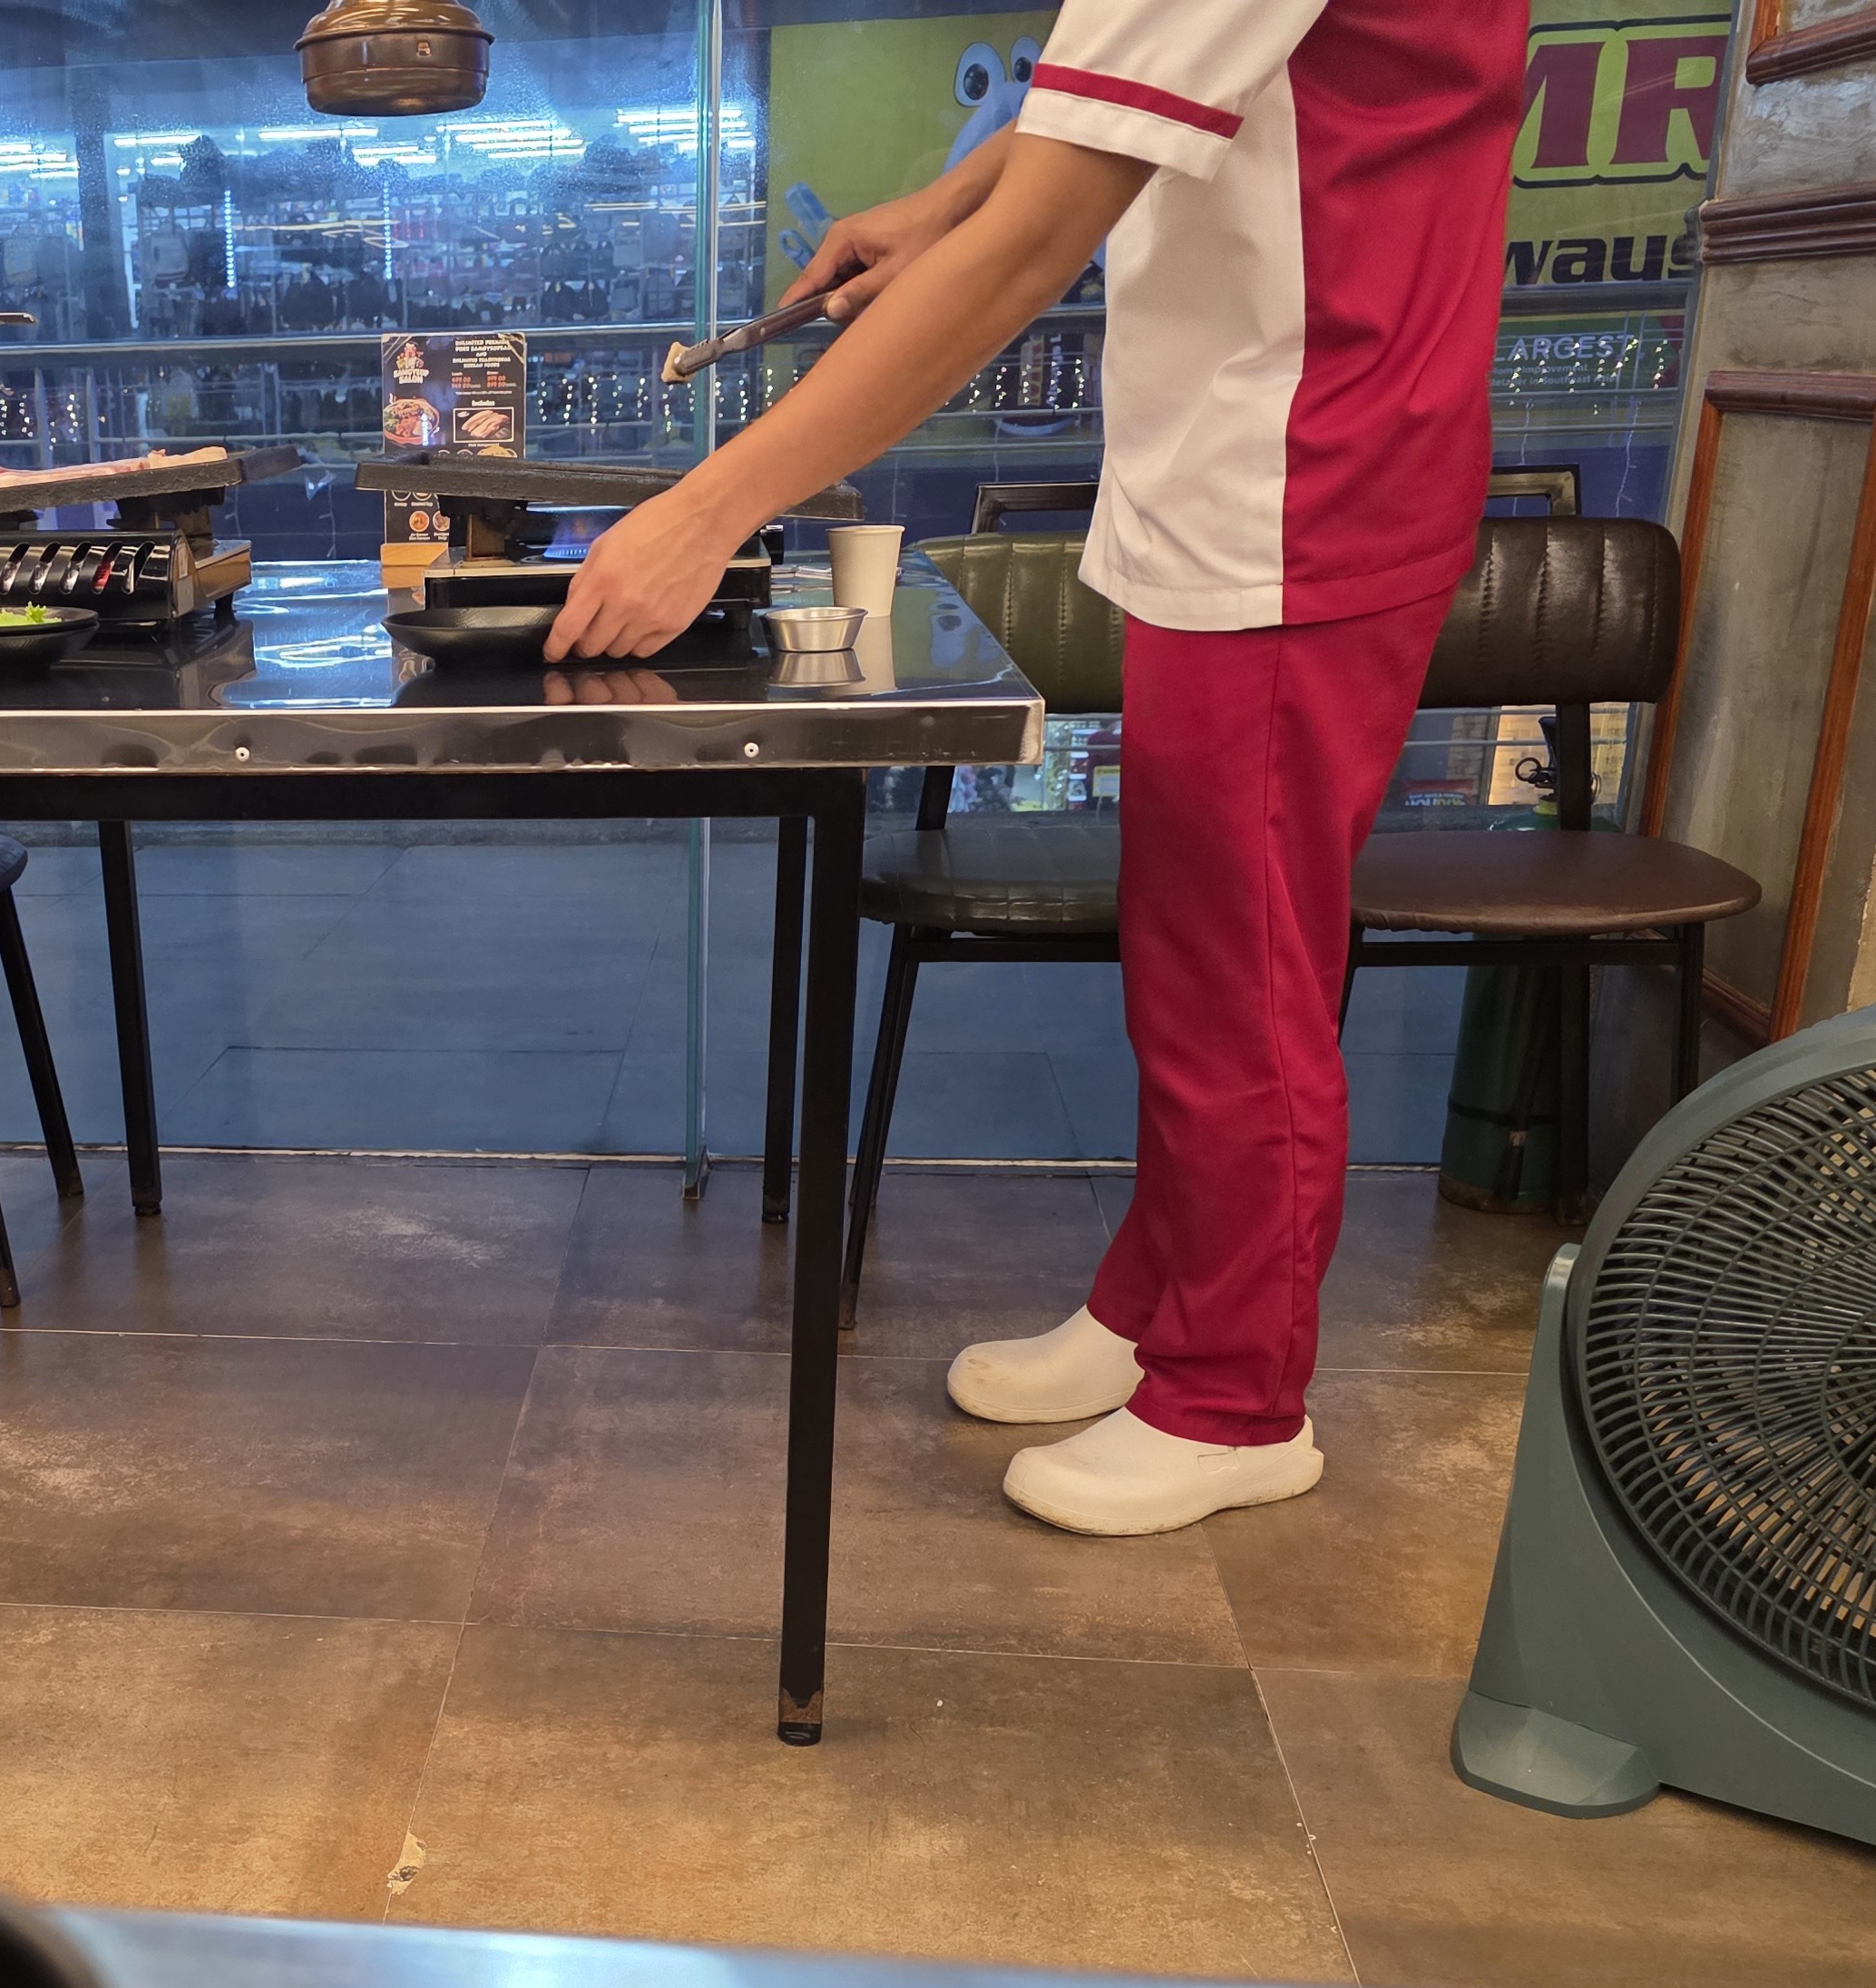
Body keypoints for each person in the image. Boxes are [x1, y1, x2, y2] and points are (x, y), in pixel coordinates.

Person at [551, 0, 1527, 1537]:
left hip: (1298, 476)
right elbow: (1129, 104)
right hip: (1266, 456)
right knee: (1194, 952)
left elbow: (1031, 251)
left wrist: (710, 507)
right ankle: (1157, 1308)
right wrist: (942, 199)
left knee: (1242, 978)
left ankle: (1236, 1399)